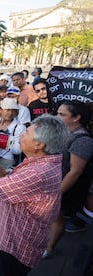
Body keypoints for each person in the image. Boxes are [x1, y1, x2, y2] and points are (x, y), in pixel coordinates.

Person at [0, 114, 68, 275]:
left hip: (18, 245)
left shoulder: (37, 172)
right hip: (18, 238)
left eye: (26, 133)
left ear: (39, 144)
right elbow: (9, 183)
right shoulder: (43, 161)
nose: (21, 135)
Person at [44, 101, 93, 258]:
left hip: (65, 186)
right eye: (58, 113)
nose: (57, 117)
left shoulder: (83, 140)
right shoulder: (64, 132)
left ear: (76, 118)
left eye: (62, 114)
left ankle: (50, 248)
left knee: (57, 216)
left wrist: (56, 193)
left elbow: (75, 171)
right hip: (53, 180)